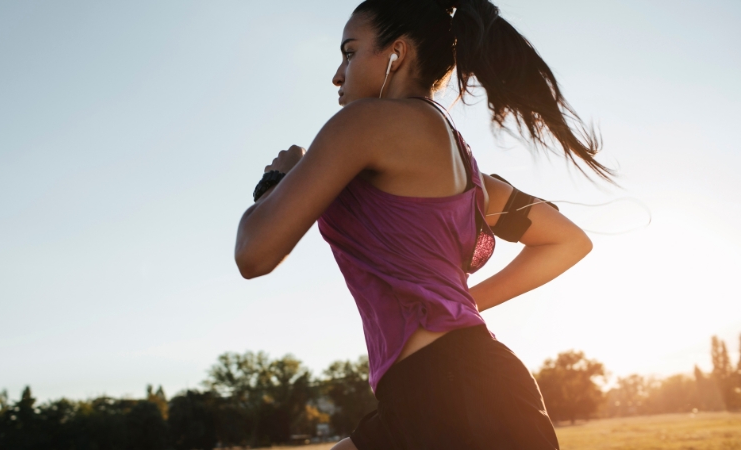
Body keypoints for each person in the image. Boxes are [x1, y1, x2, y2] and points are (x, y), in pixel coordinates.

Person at [235, 0, 613, 448]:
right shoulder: (473, 181)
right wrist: (458, 306)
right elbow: (567, 241)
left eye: (350, 52)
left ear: (397, 53)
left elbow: (254, 253)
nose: (338, 74)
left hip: (449, 396)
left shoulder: (364, 124)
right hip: (449, 392)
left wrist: (277, 180)